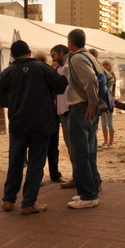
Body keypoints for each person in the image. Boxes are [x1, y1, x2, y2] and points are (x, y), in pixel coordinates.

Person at [0, 40, 67, 215]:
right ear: (29, 52)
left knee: (15, 162)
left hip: (18, 123)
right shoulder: (42, 67)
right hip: (41, 123)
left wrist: (16, 103)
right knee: (36, 163)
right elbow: (60, 86)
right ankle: (28, 202)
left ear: (13, 55)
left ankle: (8, 199)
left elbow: (0, 99)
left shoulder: (7, 72)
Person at [66, 29, 107, 209]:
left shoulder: (77, 58)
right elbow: (108, 77)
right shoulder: (91, 57)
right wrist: (97, 102)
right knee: (89, 152)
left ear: (71, 43)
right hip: (89, 109)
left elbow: (90, 79)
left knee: (80, 154)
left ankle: (88, 196)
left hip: (81, 109)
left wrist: (92, 102)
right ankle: (91, 189)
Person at [33, 49, 64, 183]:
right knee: (52, 147)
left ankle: (39, 177)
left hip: (39, 115)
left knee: (39, 148)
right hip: (51, 113)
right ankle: (54, 174)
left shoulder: (34, 73)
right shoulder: (49, 71)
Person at [51, 44, 76, 189]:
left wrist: (55, 68)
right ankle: (76, 176)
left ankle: (78, 177)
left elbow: (65, 75)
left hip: (68, 109)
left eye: (54, 55)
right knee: (70, 145)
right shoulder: (65, 63)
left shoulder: (69, 62)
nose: (53, 59)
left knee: (73, 145)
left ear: (61, 52)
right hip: (63, 109)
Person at [100, 60, 116, 148]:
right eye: (104, 65)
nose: (105, 66)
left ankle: (111, 141)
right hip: (102, 100)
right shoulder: (101, 75)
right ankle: (105, 140)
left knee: (109, 121)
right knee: (103, 122)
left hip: (109, 99)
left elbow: (111, 89)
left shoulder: (112, 76)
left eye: (107, 65)